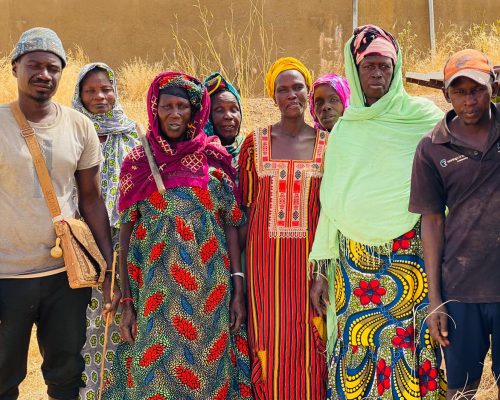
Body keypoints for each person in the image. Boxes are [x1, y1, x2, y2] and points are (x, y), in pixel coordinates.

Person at [309, 25, 445, 399]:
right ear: (355, 70)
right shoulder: (346, 130)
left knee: (408, 339)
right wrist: (322, 268)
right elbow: (332, 201)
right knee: (358, 337)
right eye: (369, 66)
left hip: (409, 252)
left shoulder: (422, 118)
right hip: (354, 262)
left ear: (396, 68)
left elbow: (449, 175)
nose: (377, 74)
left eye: (385, 66)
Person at [102, 72, 252, 399]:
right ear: (154, 109)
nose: (174, 114)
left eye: (182, 106)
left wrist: (238, 290)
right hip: (155, 294)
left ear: (195, 111)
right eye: (166, 106)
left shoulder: (214, 159)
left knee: (210, 374)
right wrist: (127, 300)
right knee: (153, 377)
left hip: (210, 294)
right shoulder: (139, 161)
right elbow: (125, 234)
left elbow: (231, 226)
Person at [0, 28, 116, 400]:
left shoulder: (79, 126)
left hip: (65, 277)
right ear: (16, 67)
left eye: (53, 67)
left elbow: (91, 200)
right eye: (34, 65)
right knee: (3, 379)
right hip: (6, 276)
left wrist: (110, 264)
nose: (44, 74)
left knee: (66, 375)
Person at [410, 49, 500, 400]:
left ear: (492, 86)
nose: (469, 99)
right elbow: (432, 222)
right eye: (459, 91)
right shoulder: (432, 148)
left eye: (476, 89)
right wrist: (436, 300)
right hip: (462, 288)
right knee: (460, 391)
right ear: (446, 95)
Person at [239, 57, 328, 399]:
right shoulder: (254, 144)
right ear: (272, 97)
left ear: (309, 92)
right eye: (283, 89)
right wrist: (240, 277)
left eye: (298, 87)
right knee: (268, 338)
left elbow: (329, 211)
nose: (292, 94)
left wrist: (321, 271)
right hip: (264, 267)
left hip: (312, 264)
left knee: (311, 337)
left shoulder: (327, 144)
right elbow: (245, 212)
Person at [72, 62, 139, 399]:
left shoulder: (132, 132)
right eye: (90, 91)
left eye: (106, 89)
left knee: (122, 317)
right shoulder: (71, 132)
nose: (99, 96)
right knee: (85, 325)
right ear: (79, 96)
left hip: (125, 241)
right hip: (81, 245)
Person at [204, 72, 244, 169]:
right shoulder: (198, 155)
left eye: (234, 109)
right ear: (207, 116)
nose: (228, 116)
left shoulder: (251, 150)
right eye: (219, 110)